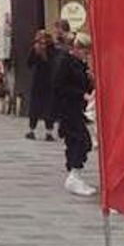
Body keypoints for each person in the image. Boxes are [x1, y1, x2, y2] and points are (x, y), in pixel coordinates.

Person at [54, 33, 96, 197]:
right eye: (85, 51)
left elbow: (82, 84)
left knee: (79, 140)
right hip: (67, 108)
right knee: (80, 140)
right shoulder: (65, 62)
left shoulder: (79, 63)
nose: (86, 55)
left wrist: (90, 81)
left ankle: (75, 174)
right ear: (76, 48)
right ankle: (74, 175)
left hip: (76, 109)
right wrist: (81, 94)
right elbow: (59, 85)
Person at [25, 30, 57, 141]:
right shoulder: (52, 49)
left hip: (39, 80)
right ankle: (48, 132)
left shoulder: (37, 48)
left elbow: (29, 63)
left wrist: (37, 53)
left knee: (36, 106)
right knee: (48, 106)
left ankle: (32, 130)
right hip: (49, 81)